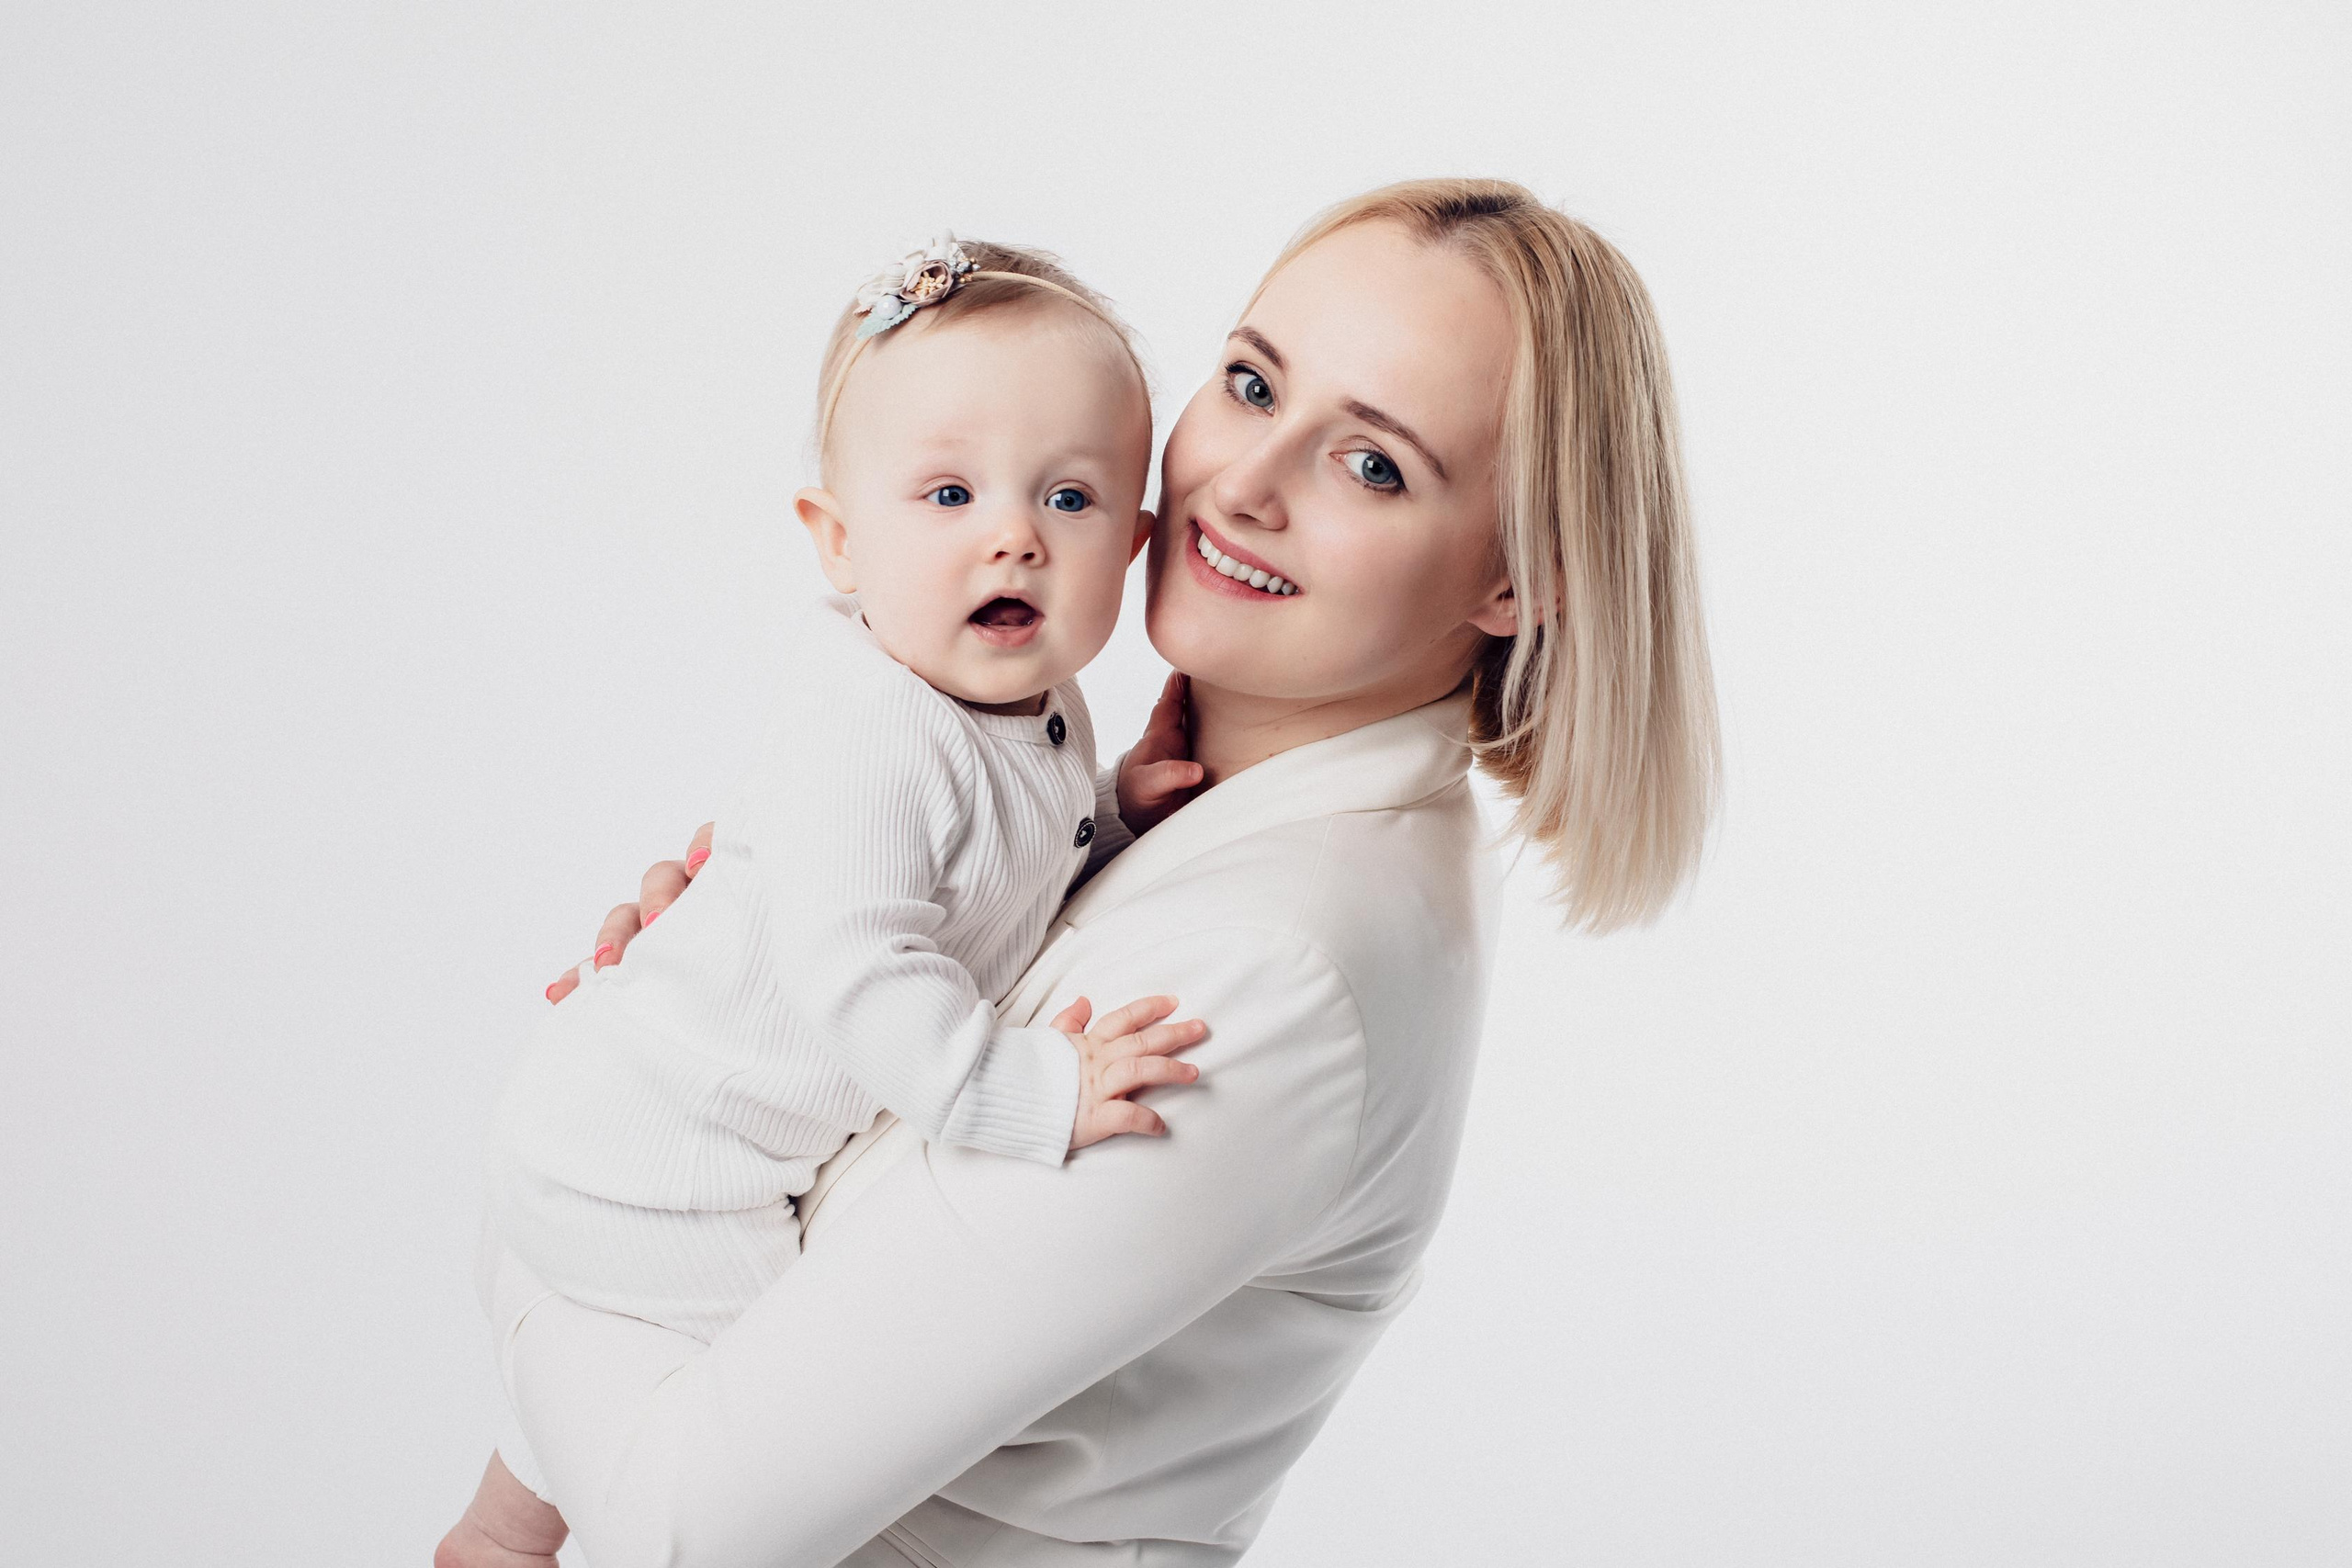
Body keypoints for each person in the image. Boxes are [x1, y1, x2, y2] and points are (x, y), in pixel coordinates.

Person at [440, 177, 1720, 1568]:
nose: (1241, 482)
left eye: (1373, 465)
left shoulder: (1269, 971)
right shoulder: (1138, 796)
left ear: (1516, 578)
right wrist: (720, 1018)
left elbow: (679, 1529)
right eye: (1249, 383)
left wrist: (581, 1165)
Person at [441, 238, 1215, 1562]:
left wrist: (1116, 811)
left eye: (1072, 498)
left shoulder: (1028, 706)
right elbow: (865, 971)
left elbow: (1001, 874)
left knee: (642, 1372)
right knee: (760, 1439)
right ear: (839, 542)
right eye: (951, 492)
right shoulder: (870, 730)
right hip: (661, 1163)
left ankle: (497, 1539)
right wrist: (1037, 1094)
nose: (1014, 533)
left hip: (686, 1150)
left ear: (1133, 547)